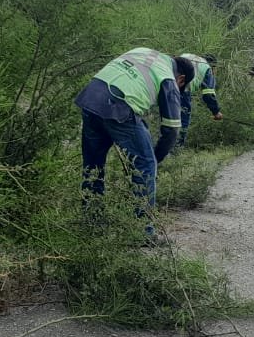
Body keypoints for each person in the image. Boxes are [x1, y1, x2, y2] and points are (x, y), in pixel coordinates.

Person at [75, 48, 194, 239]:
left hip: (91, 99)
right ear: (181, 80)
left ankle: (91, 222)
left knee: (93, 166)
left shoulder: (142, 51)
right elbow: (172, 130)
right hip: (118, 105)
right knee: (145, 165)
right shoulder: (169, 79)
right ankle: (142, 232)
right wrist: (154, 160)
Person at [176, 53, 223, 147]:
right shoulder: (206, 68)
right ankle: (176, 149)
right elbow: (208, 94)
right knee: (183, 120)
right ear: (213, 66)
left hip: (165, 84)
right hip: (183, 90)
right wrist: (216, 112)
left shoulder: (186, 55)